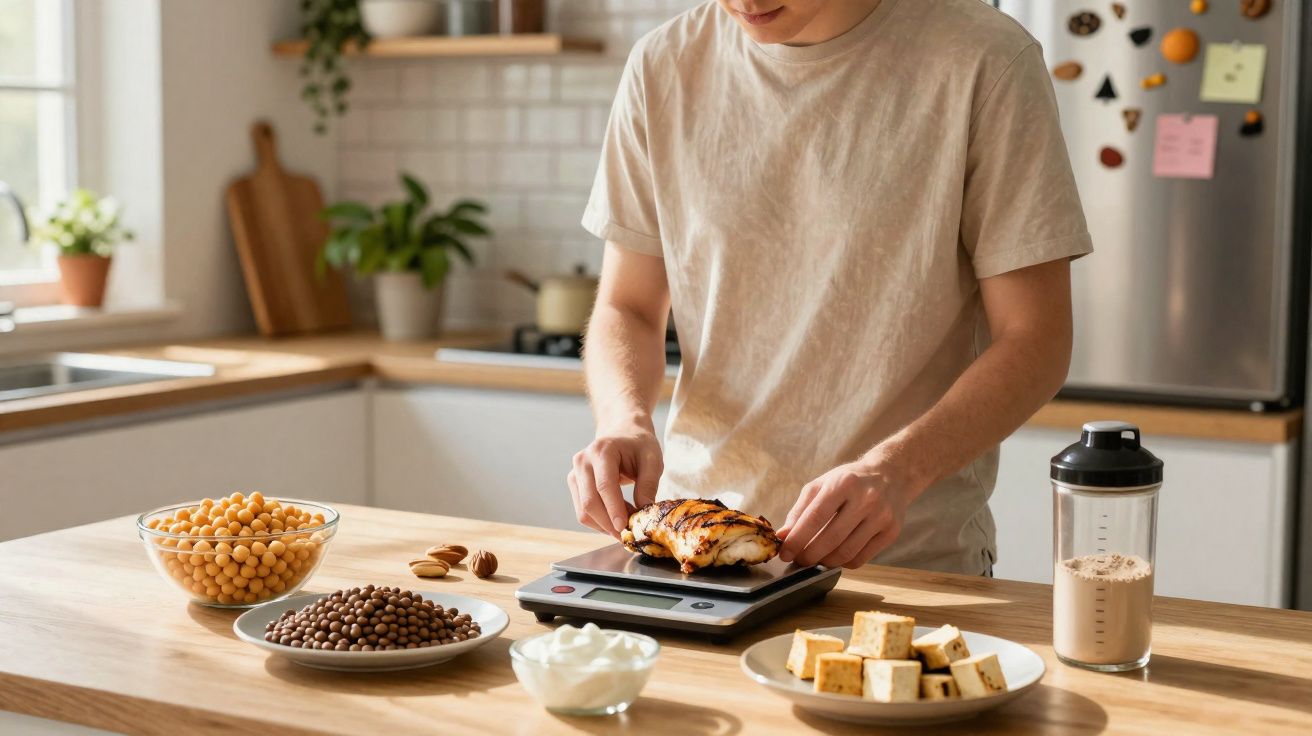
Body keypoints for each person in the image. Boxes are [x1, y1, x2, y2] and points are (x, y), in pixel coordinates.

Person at [567, 0, 1092, 575]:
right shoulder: (662, 66)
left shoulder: (985, 60)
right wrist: (624, 419)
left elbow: (1035, 339)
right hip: (696, 549)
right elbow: (629, 305)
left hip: (907, 567)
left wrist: (897, 469)